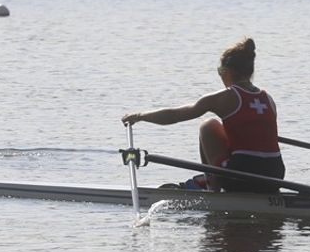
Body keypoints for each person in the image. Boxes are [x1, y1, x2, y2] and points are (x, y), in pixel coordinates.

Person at [122, 38, 284, 193]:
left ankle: (211, 188)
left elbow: (175, 115)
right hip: (275, 176)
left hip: (240, 178)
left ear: (227, 72)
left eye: (220, 71)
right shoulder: (268, 99)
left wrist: (140, 116)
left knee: (208, 125)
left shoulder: (224, 98)